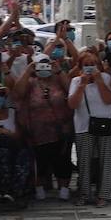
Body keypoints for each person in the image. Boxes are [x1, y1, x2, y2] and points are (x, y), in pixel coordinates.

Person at [15, 55, 73, 201]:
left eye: (47, 64)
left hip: (61, 129)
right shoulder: (31, 82)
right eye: (40, 65)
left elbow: (71, 89)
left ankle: (64, 189)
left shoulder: (59, 80)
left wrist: (59, 71)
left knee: (62, 159)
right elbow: (18, 93)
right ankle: (39, 188)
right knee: (40, 160)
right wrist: (28, 71)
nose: (44, 68)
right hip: (37, 131)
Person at [68, 51, 111, 208]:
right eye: (86, 65)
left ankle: (103, 195)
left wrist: (99, 81)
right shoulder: (75, 81)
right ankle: (84, 193)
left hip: (106, 123)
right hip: (84, 125)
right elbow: (72, 104)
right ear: (80, 67)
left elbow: (109, 100)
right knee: (84, 161)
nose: (90, 68)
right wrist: (83, 84)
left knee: (107, 160)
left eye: (93, 64)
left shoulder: (106, 78)